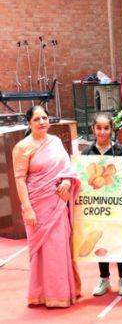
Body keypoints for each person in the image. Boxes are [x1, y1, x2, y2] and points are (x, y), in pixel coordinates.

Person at [13, 105, 81, 308]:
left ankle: (62, 293)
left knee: (59, 248)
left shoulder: (56, 141)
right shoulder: (22, 147)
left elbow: (67, 168)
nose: (42, 122)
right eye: (37, 119)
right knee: (42, 252)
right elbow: (19, 179)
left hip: (58, 203)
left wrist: (68, 181)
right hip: (37, 205)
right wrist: (28, 209)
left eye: (45, 117)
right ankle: (41, 294)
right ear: (29, 123)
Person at [83, 113, 122, 297]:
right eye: (99, 128)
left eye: (106, 128)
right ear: (93, 129)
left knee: (118, 239)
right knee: (100, 241)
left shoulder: (119, 152)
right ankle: (104, 278)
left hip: (116, 205)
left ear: (112, 129)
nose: (103, 132)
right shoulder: (86, 154)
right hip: (96, 207)